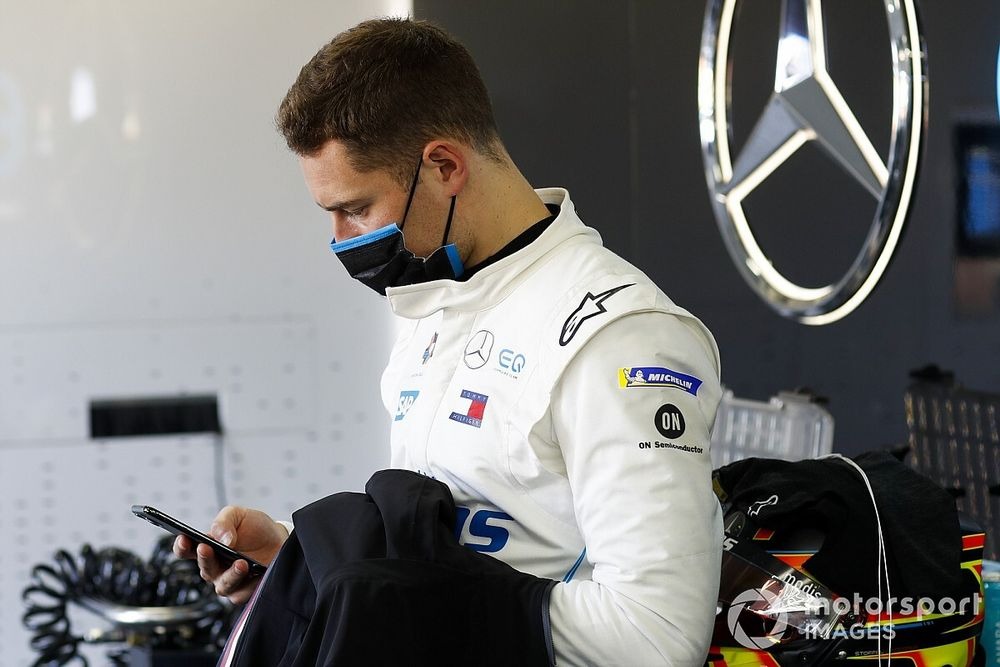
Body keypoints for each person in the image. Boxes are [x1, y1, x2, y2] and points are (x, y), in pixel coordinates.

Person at [175, 17, 724, 665]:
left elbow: (656, 636)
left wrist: (412, 605)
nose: (339, 238)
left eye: (356, 207)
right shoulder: (432, 299)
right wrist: (303, 563)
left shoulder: (617, 336)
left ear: (443, 166)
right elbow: (441, 546)